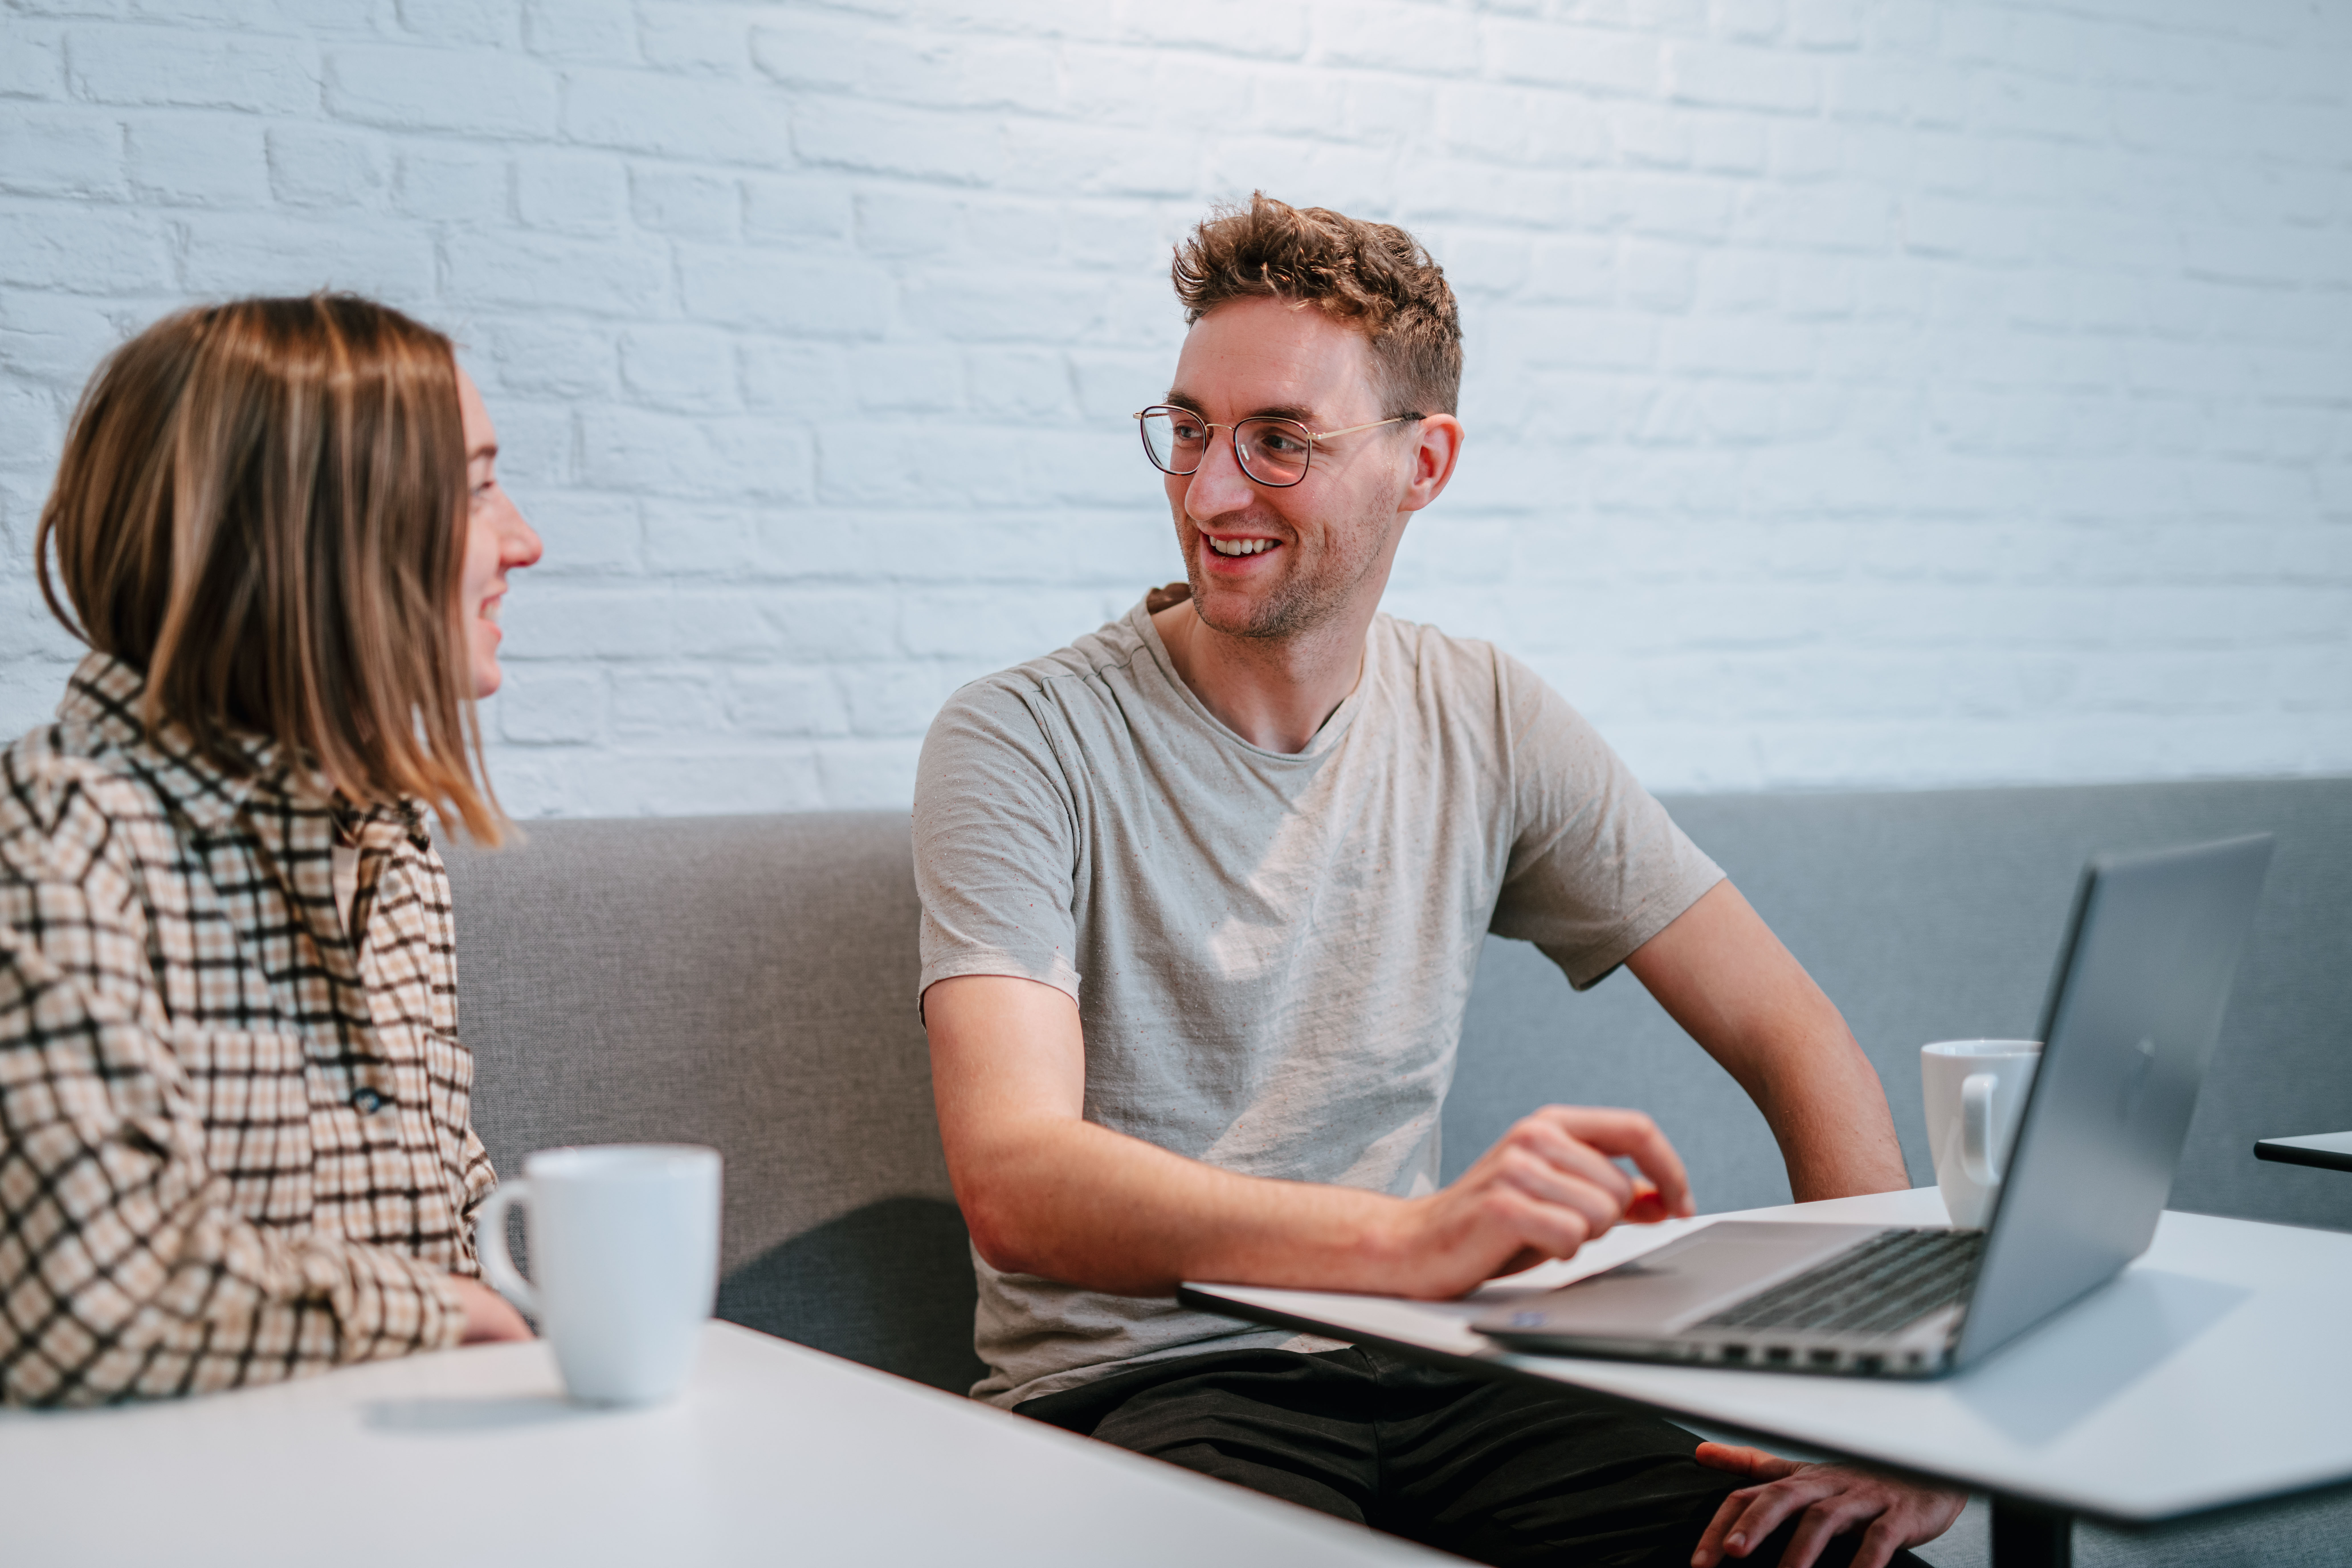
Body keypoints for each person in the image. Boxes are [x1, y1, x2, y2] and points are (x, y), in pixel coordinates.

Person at [914, 196, 1962, 1568]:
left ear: (1425, 462)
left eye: (1280, 439)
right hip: (1147, 1386)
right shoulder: (1022, 739)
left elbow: (1794, 1032)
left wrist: (1886, 1405)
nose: (1210, 492)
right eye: (1190, 429)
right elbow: (1018, 1179)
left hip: (1440, 1370)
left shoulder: (1485, 713)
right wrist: (1412, 1239)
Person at [0, 295, 543, 1406]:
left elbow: (446, 1223)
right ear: (319, 536)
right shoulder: (56, 836)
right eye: (476, 488)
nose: (522, 541)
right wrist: (444, 1312)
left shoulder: (391, 841)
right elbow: (79, 1293)